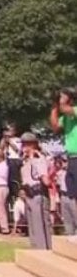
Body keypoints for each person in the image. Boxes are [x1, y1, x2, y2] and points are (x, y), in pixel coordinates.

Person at [20, 132, 52, 249]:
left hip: (38, 194)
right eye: (23, 144)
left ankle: (43, 250)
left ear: (33, 145)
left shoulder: (39, 159)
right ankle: (35, 249)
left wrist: (34, 159)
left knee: (40, 226)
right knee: (32, 226)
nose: (24, 147)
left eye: (26, 144)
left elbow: (45, 179)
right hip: (28, 194)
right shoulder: (25, 160)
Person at [53, 88, 77, 229]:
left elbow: (67, 109)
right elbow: (55, 126)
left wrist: (61, 102)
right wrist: (54, 107)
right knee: (73, 194)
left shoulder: (74, 110)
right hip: (71, 159)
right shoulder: (65, 117)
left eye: (63, 96)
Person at [56, 156, 77, 235]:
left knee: (75, 216)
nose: (64, 163)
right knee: (67, 218)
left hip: (72, 197)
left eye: (65, 161)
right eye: (63, 161)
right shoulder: (60, 173)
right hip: (63, 195)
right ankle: (69, 234)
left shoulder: (73, 171)